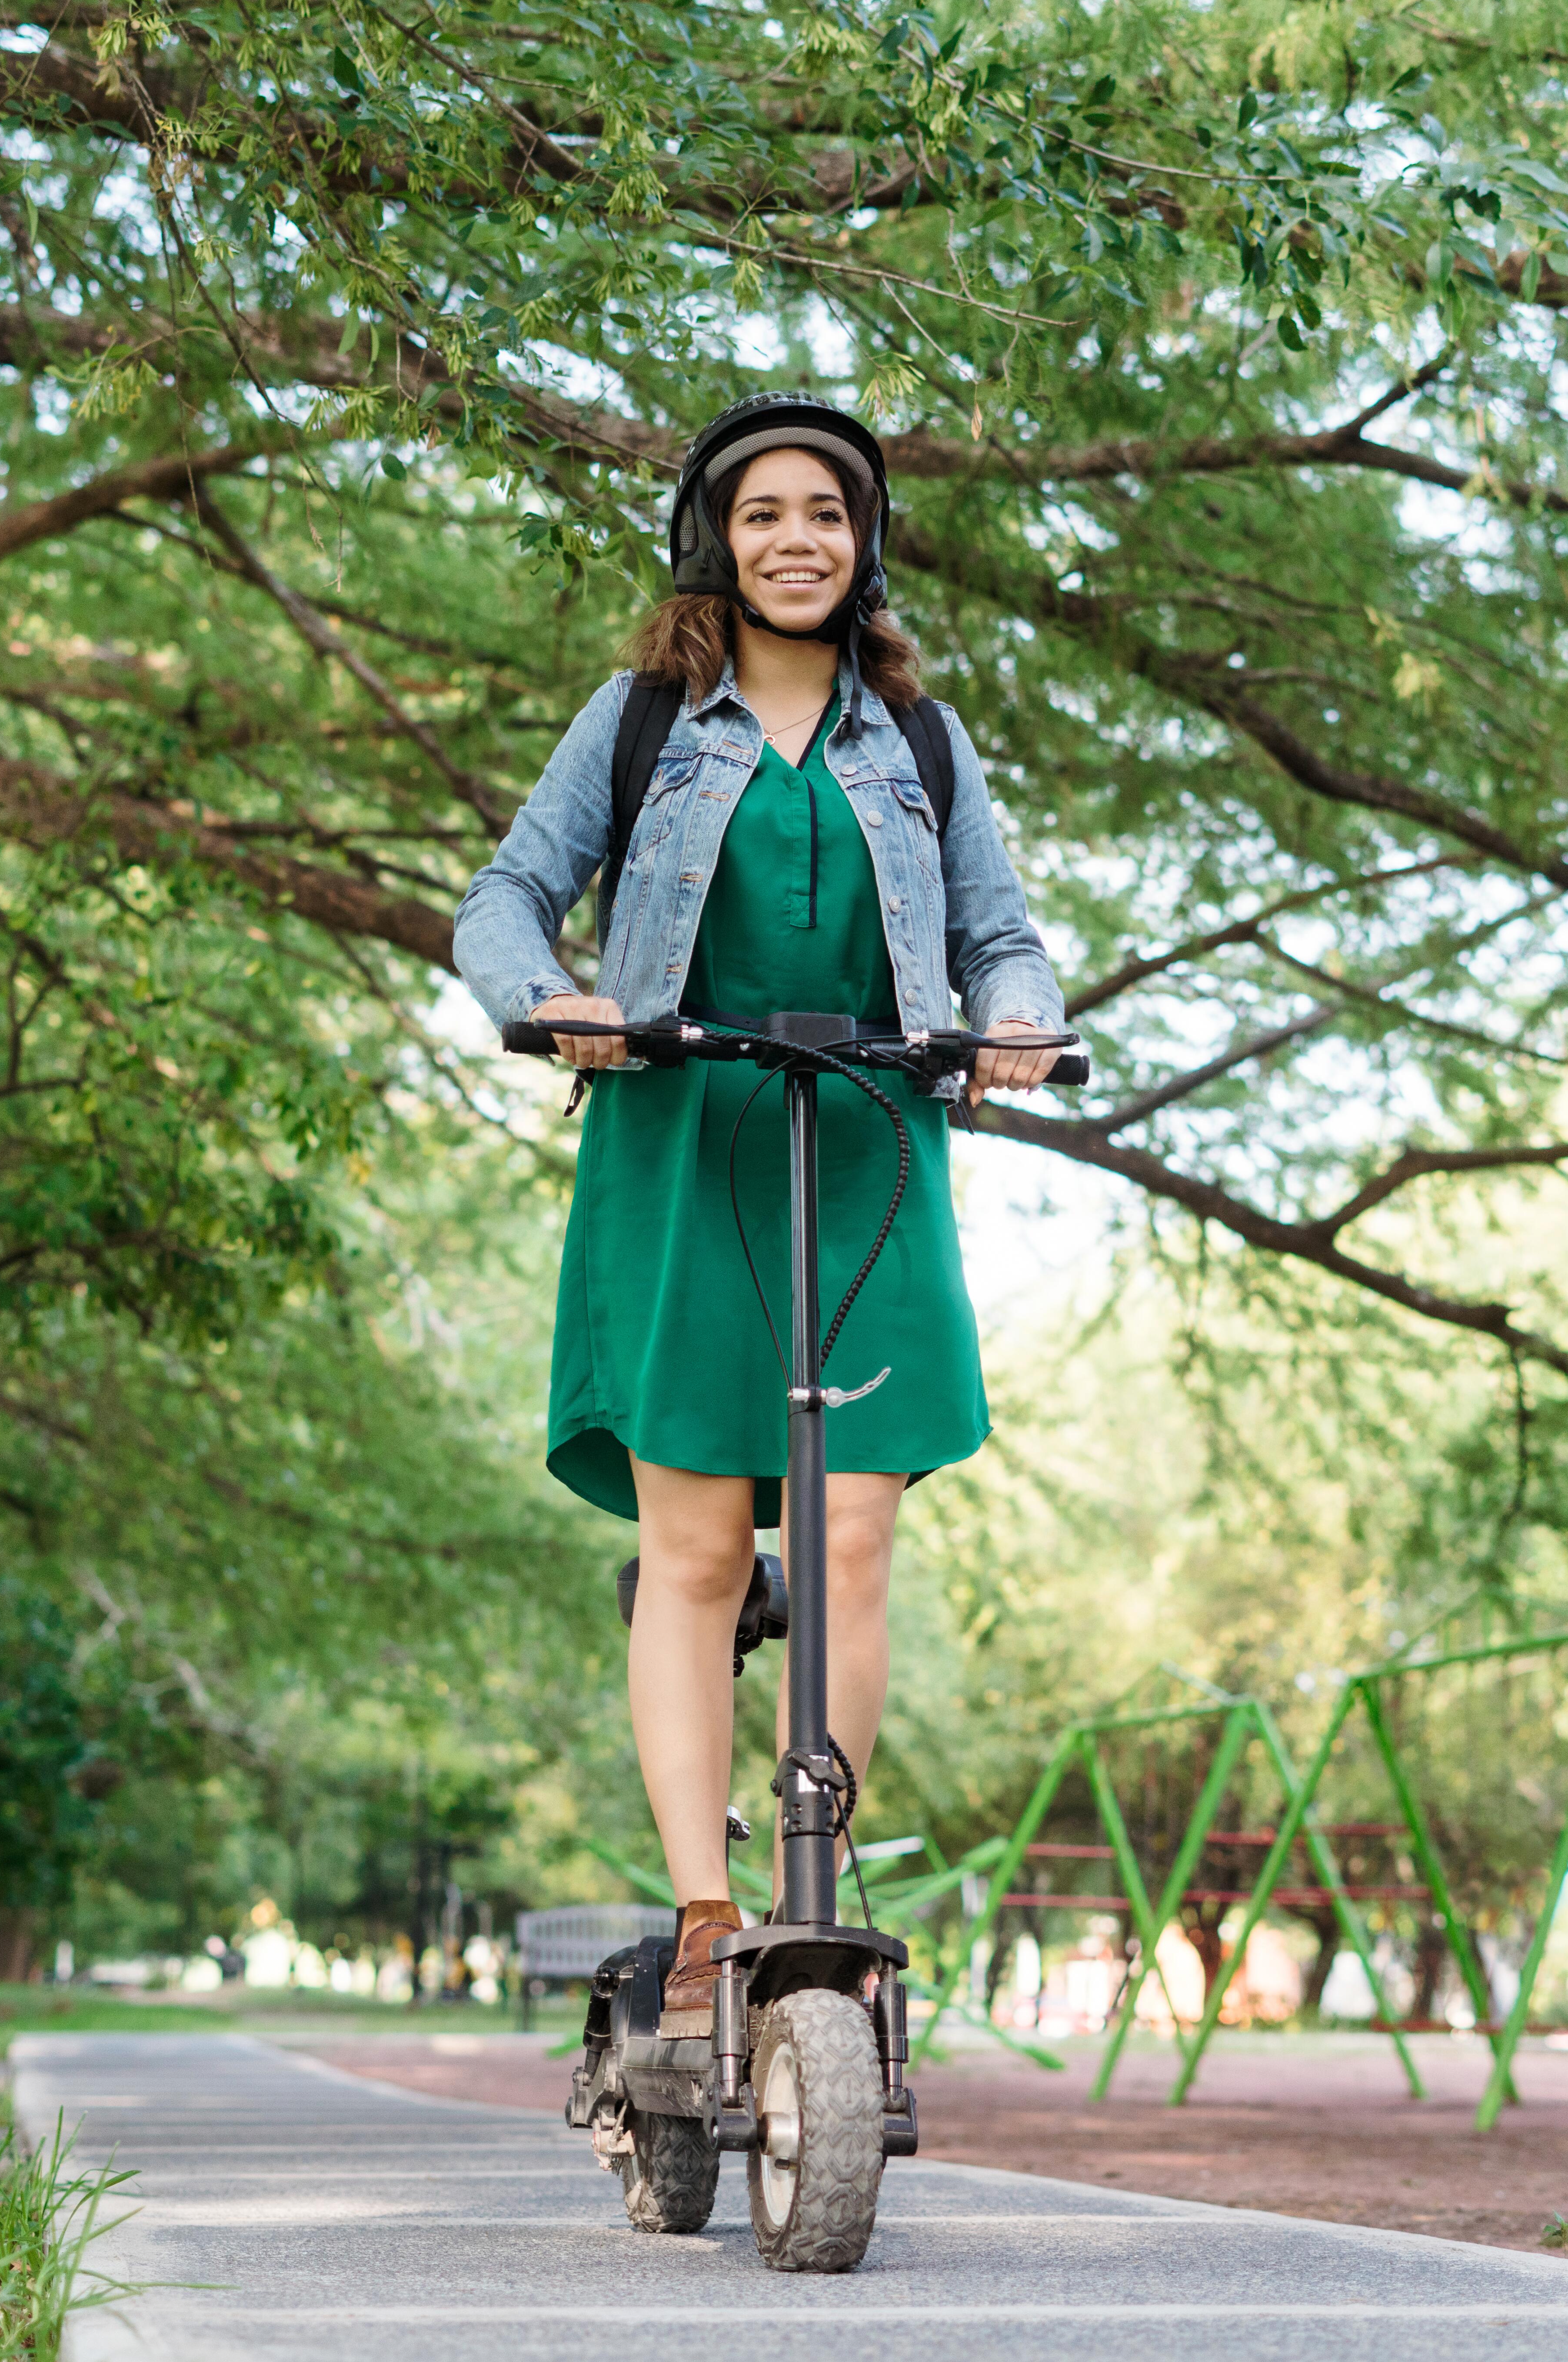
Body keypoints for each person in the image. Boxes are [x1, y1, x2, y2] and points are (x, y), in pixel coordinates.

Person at [455, 393, 1065, 2035]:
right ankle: (710, 1915)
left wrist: (1012, 1021)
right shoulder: (644, 717)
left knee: (854, 1530)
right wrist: (548, 998)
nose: (797, 541)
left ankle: (812, 1899)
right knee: (703, 1543)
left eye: (827, 515)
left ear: (865, 544)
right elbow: (503, 897)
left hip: (868, 1139)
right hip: (679, 1137)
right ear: (715, 540)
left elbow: (1002, 934)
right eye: (764, 515)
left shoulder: (918, 740)